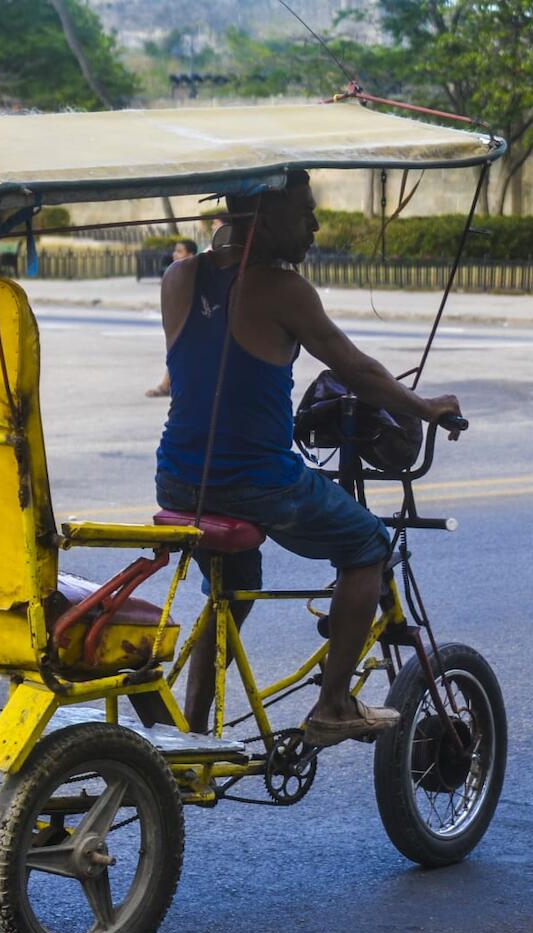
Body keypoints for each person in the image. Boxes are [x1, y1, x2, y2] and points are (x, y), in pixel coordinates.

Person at [154, 171, 461, 746]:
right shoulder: (282, 290)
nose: (316, 224)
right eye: (304, 213)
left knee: (232, 591)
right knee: (370, 544)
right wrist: (423, 407)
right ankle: (334, 704)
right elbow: (357, 370)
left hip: (177, 479)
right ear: (264, 222)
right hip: (257, 482)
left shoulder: (178, 277)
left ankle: (189, 732)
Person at [145, 239, 199, 398]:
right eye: (175, 251)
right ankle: (167, 384)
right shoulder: (175, 272)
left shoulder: (194, 272)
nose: (175, 254)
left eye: (180, 251)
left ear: (191, 255)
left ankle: (166, 385)